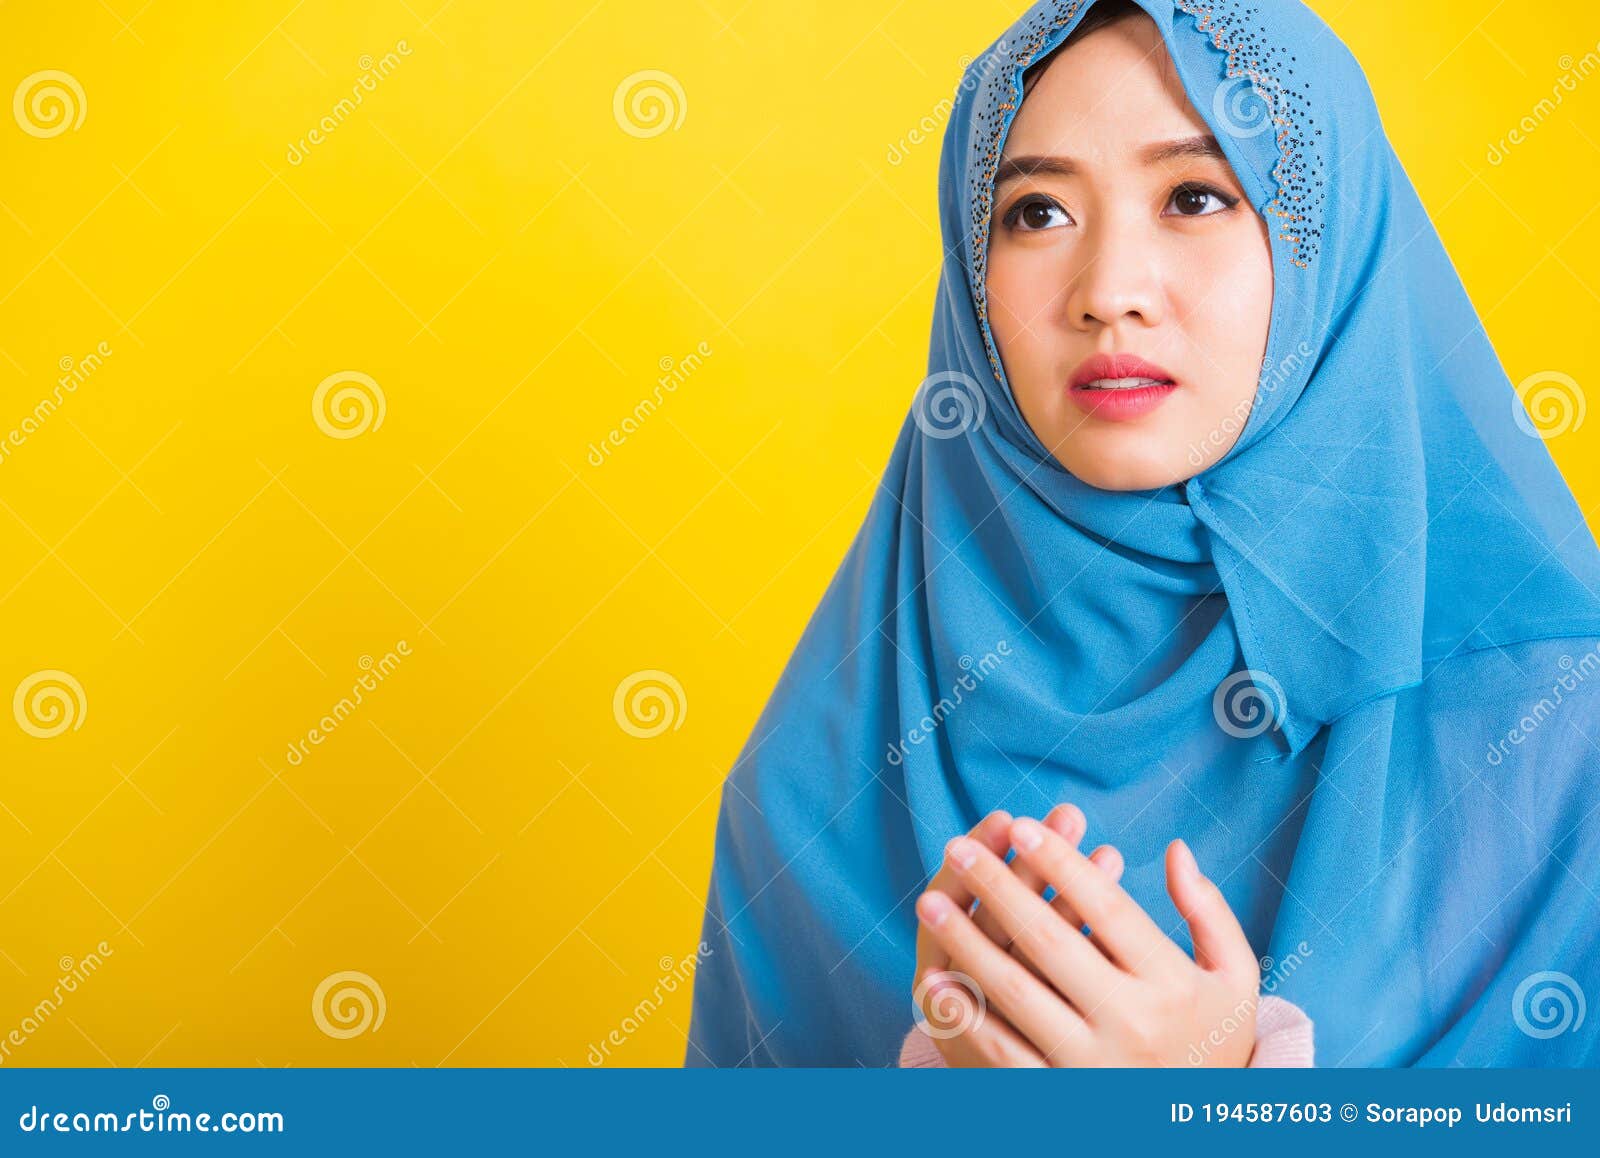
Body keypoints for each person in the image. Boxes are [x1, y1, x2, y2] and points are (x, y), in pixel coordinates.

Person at [685, 0, 1600, 1067]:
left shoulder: (1549, 739)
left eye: (1195, 196)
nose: (1107, 292)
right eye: (1035, 213)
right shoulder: (817, 777)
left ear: (1328, 254)